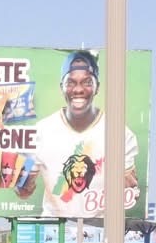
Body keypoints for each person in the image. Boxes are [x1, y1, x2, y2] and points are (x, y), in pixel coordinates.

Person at [34, 49, 139, 218]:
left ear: (97, 87)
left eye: (87, 82)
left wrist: (128, 186)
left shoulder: (120, 133)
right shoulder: (42, 130)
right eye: (71, 82)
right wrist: (23, 183)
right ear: (62, 87)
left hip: (101, 229)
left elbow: (131, 191)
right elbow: (23, 190)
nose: (78, 89)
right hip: (55, 230)